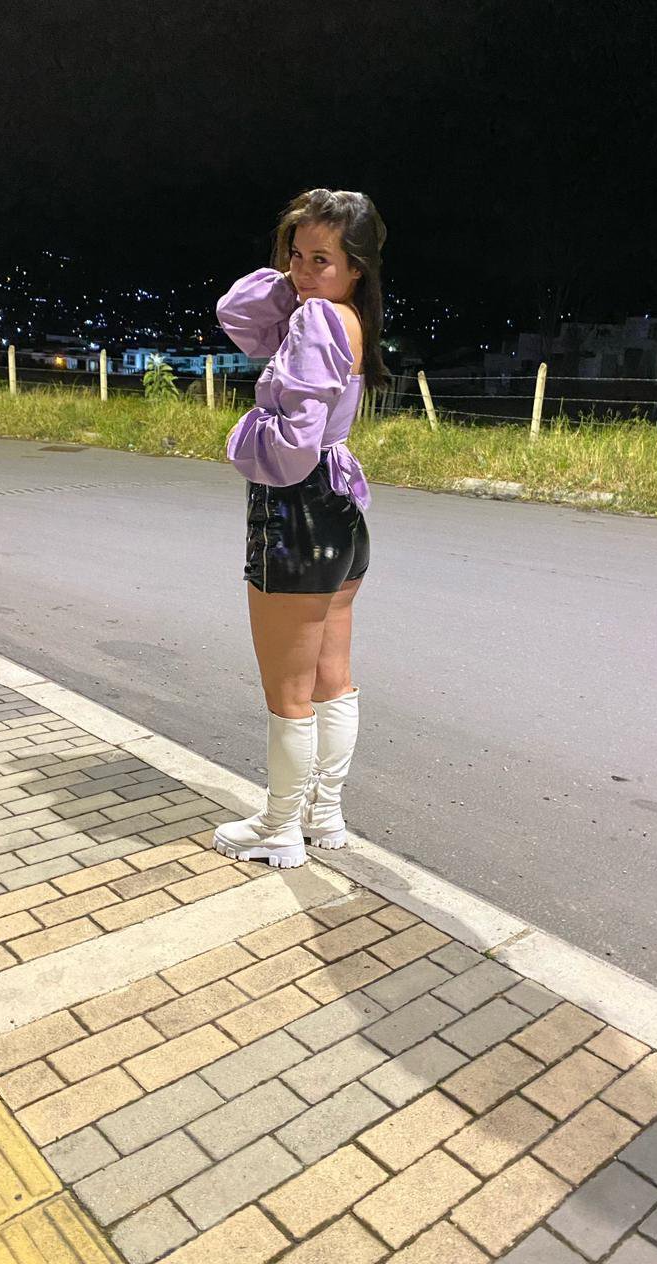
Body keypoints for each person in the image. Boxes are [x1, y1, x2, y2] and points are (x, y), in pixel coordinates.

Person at [212, 188, 389, 869]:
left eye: (322, 259)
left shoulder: (316, 319)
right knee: (332, 679)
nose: (302, 271)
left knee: (288, 693)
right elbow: (240, 313)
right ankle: (324, 813)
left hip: (293, 514)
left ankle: (279, 828)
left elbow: (291, 444)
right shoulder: (348, 318)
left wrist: (243, 436)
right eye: (296, 254)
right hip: (342, 514)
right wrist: (294, 281)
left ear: (356, 267)